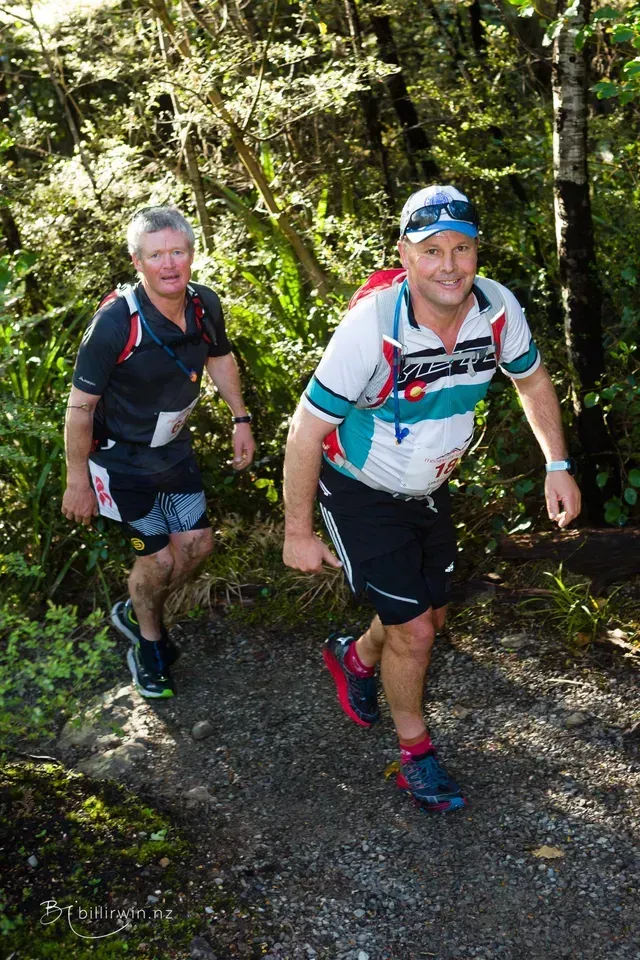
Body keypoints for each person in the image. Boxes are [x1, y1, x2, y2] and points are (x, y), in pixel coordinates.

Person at [282, 185, 581, 813]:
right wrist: (297, 532)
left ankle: (356, 659)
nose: (449, 265)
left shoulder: (496, 308)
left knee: (430, 618)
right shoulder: (373, 326)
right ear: (405, 255)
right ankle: (414, 757)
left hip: (429, 490)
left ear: (477, 251)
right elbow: (305, 428)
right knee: (416, 631)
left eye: (461, 248)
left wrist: (557, 464)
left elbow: (531, 379)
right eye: (432, 250)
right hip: (359, 489)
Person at [62, 206, 255, 699]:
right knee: (159, 563)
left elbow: (219, 358)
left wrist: (240, 418)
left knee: (197, 546)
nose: (169, 264)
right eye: (155, 255)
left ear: (191, 254)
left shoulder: (204, 304)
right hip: (121, 462)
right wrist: (77, 479)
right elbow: (80, 407)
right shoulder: (115, 323)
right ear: (137, 262)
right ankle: (149, 644)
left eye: (177, 252)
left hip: (173, 450)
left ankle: (136, 608)